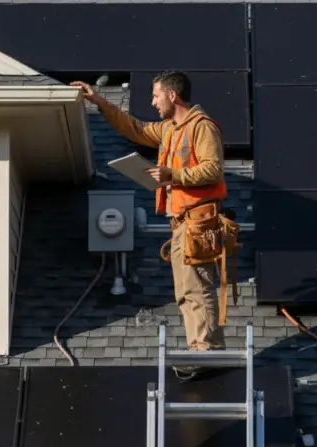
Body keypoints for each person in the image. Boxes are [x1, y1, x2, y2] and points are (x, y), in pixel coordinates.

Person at [71, 71, 229, 380]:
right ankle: (201, 348)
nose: (153, 102)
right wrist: (99, 100)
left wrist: (173, 175)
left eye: (156, 96)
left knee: (196, 285)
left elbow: (213, 169)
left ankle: (207, 350)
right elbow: (136, 128)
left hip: (198, 218)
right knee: (186, 289)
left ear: (172, 96)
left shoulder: (201, 127)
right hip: (183, 221)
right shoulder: (170, 129)